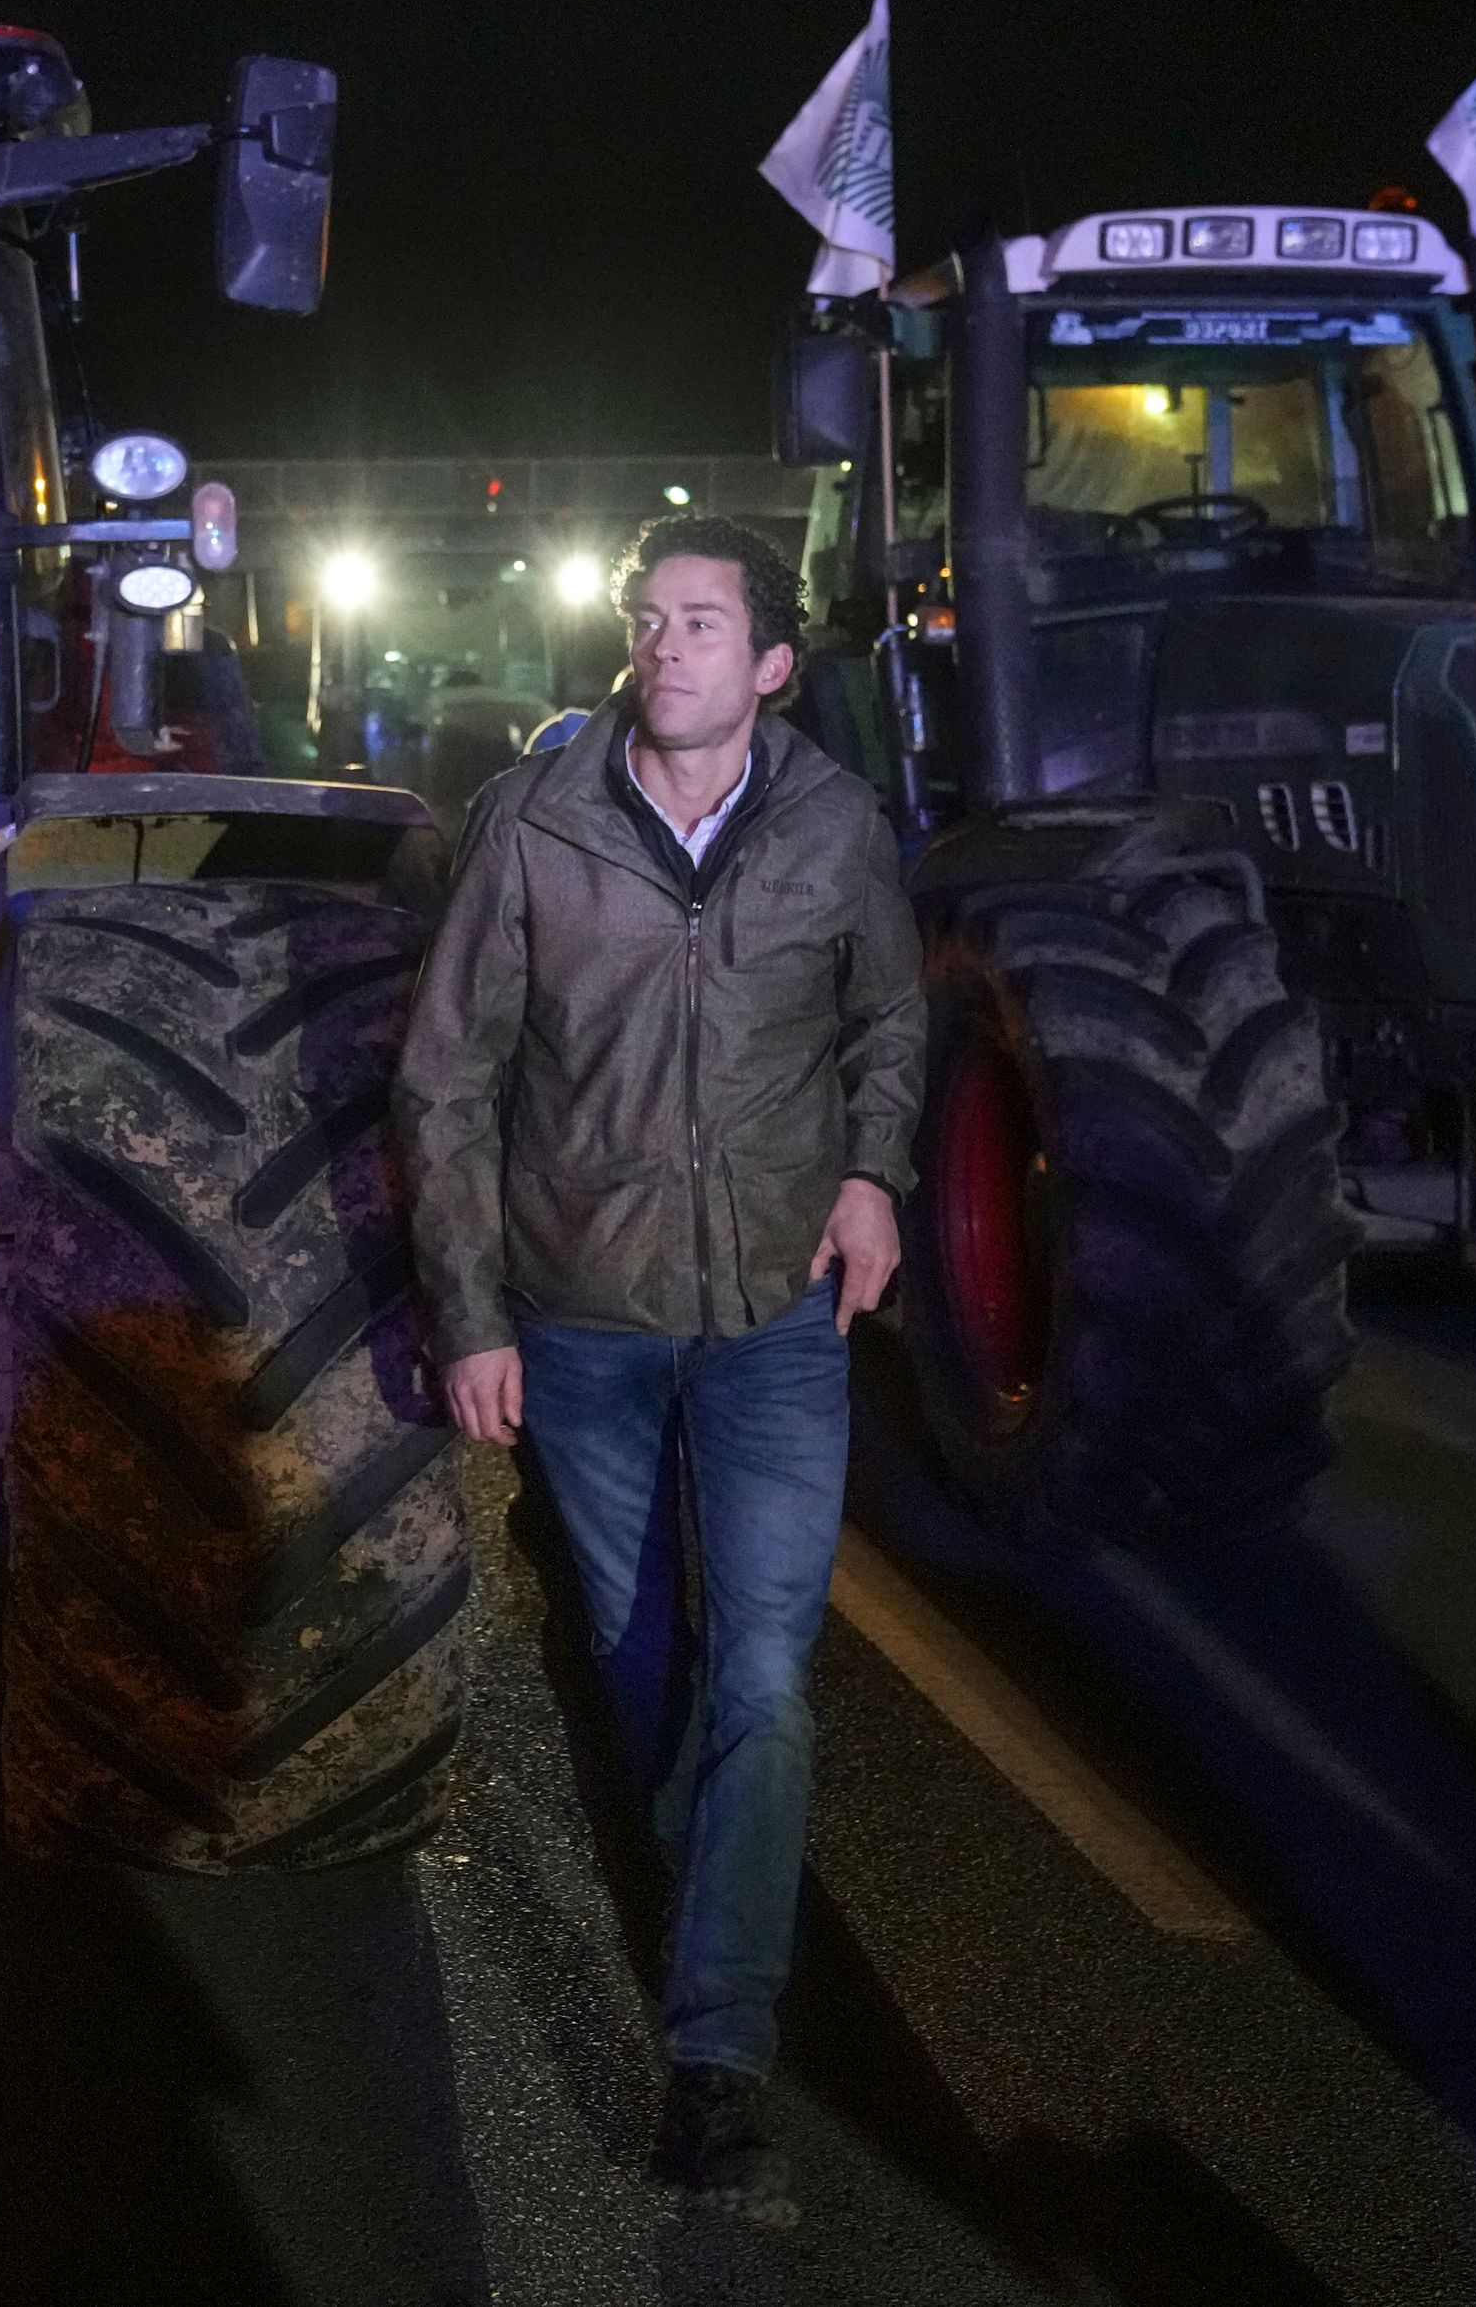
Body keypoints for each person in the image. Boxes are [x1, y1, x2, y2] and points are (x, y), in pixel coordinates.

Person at [396, 513, 925, 2224]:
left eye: (705, 621)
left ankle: (718, 2060)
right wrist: (469, 1313)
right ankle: (727, 1894)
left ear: (774, 663)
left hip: (779, 1313)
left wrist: (876, 1172)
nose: (667, 642)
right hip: (585, 1317)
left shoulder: (837, 827)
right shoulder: (533, 823)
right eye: (651, 617)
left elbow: (889, 1023)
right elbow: (448, 1081)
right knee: (638, 1658)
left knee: (765, 1668)